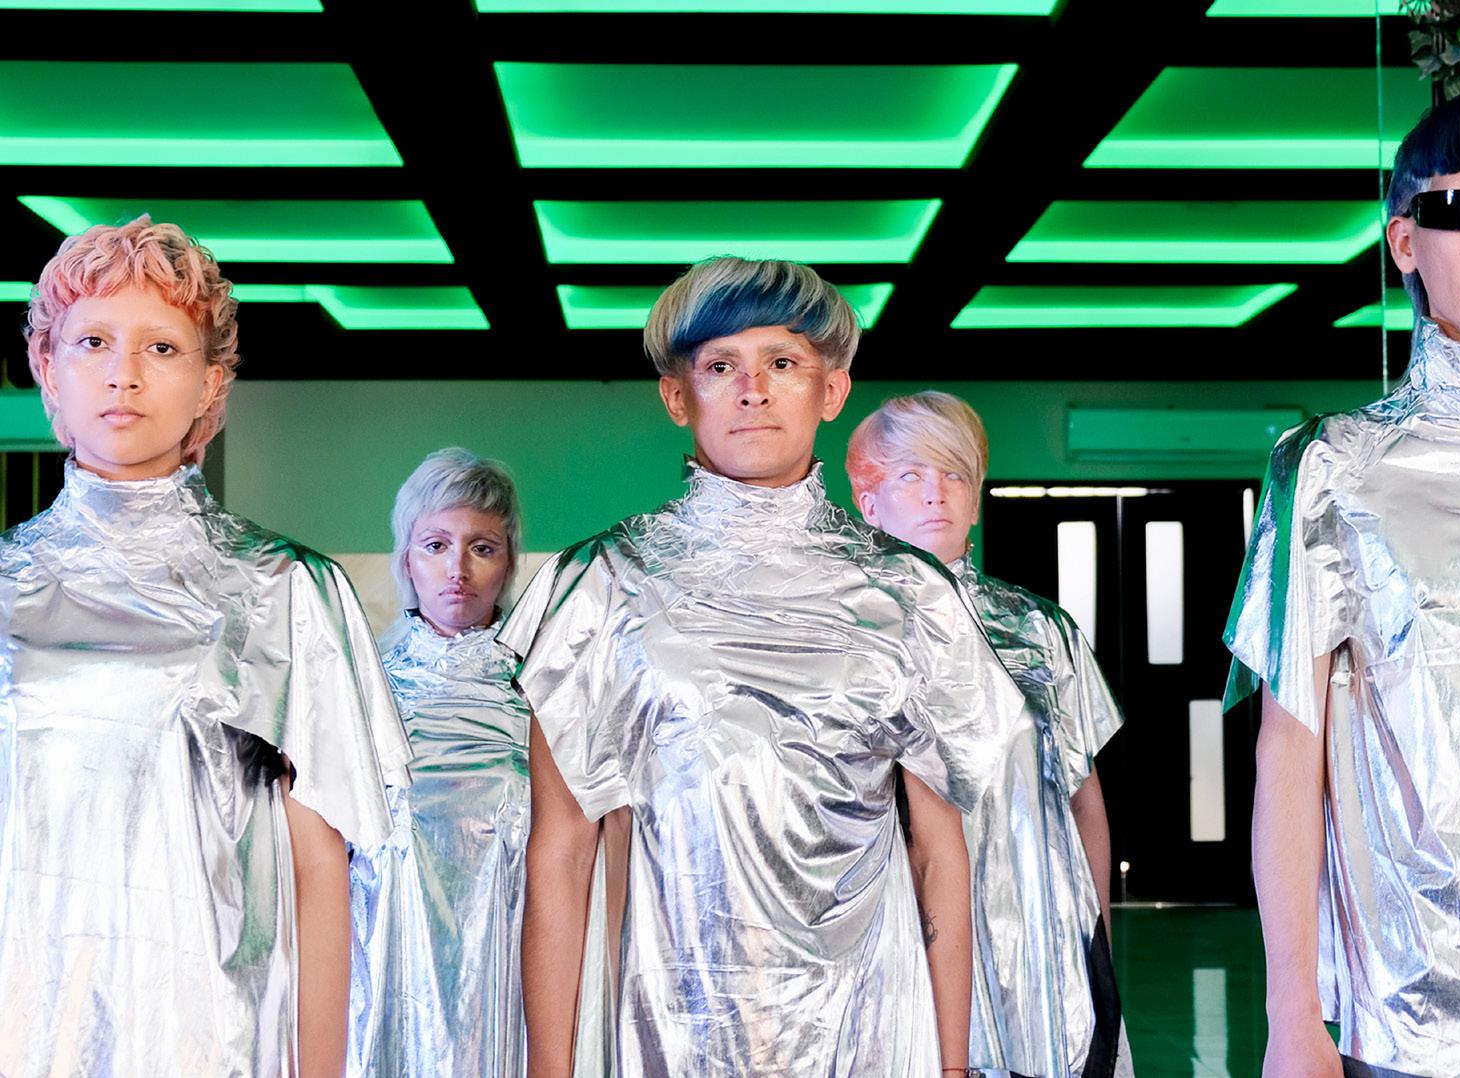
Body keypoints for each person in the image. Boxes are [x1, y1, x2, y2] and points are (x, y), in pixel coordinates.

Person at [499, 256, 1029, 1076]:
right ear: (678, 396)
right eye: (721, 367)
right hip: (663, 1024)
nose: (753, 390)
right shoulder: (601, 585)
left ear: (832, 390)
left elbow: (938, 852)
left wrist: (953, 1066)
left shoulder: (908, 593)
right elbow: (562, 850)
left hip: (868, 1026)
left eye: (782, 363)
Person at [1225, 88, 1460, 1078]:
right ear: (1404, 241)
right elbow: (1288, 751)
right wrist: (1291, 1013)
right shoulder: (1332, 468)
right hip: (1411, 1007)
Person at [0, 216, 409, 1076]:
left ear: (210, 384)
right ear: (46, 367)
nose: (123, 373)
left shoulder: (286, 590)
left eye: (161, 347)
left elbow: (320, 874)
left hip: (213, 1038)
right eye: (94, 342)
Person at [847, 390, 1128, 1078]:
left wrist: (1092, 939)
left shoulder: (1043, 629)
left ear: (976, 499)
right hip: (893, 945)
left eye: (955, 473)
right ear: (869, 503)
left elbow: (1084, 803)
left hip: (1038, 945)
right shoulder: (840, 635)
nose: (936, 492)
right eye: (911, 475)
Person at [349, 447, 548, 1076]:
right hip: (386, 982)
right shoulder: (360, 692)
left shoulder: (548, 690)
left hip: (512, 984)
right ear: (406, 558)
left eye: (482, 548)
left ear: (509, 561)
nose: (457, 569)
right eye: (435, 545)